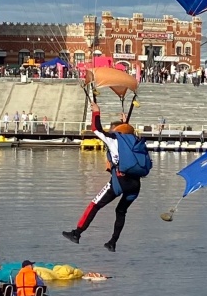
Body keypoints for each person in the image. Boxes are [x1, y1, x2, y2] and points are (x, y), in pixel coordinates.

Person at [61, 101, 149, 252]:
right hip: (135, 184)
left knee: (94, 205)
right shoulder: (133, 139)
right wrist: (125, 123)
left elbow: (96, 129)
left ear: (115, 130)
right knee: (121, 211)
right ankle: (112, 242)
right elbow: (126, 132)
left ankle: (77, 233)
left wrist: (96, 112)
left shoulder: (114, 138)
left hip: (120, 181)